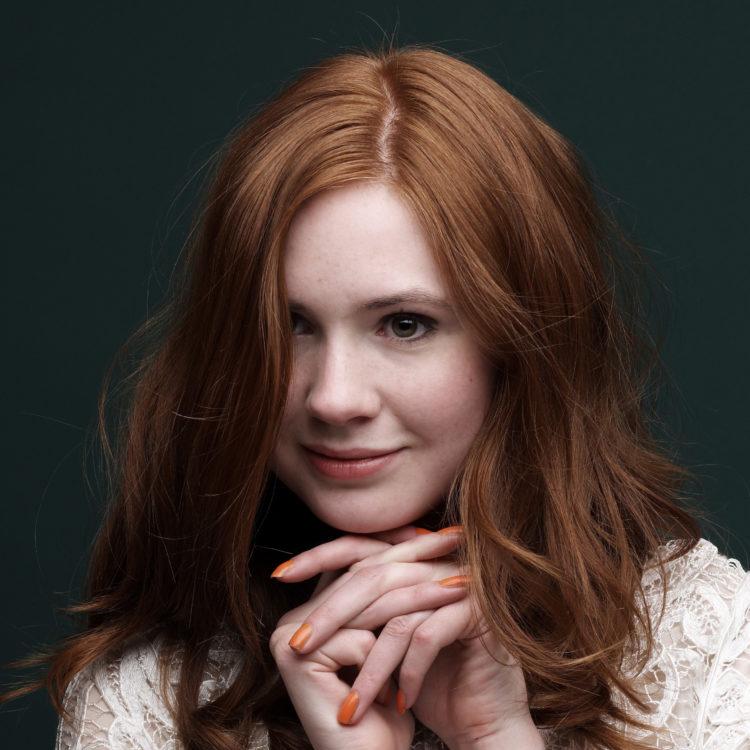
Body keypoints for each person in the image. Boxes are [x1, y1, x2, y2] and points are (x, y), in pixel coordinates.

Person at [3, 42, 749, 750]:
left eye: (404, 324)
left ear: (521, 344)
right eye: (290, 325)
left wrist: (495, 735)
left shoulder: (704, 647)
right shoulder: (147, 696)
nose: (333, 398)